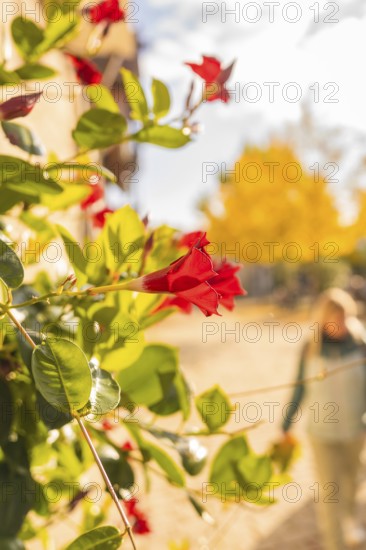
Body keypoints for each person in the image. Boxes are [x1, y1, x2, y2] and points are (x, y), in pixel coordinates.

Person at [282, 288, 366, 550]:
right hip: (322, 435)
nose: (338, 325)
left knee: (352, 487)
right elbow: (299, 388)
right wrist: (286, 424)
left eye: (342, 318)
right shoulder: (311, 348)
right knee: (330, 497)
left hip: (355, 432)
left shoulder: (360, 345)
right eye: (332, 320)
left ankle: (351, 524)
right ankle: (335, 544)